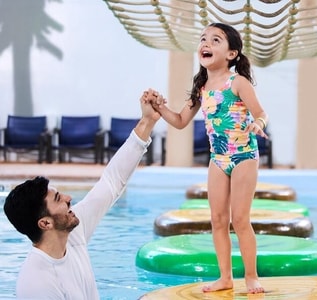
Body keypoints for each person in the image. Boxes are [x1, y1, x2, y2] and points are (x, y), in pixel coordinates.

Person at [3, 89, 162, 299]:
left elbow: (112, 181)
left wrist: (147, 121)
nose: (69, 198)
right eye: (58, 199)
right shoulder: (37, 284)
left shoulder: (72, 233)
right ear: (45, 223)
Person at [151, 22, 268, 294]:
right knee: (217, 220)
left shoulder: (237, 82)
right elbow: (180, 121)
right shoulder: (201, 86)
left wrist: (258, 123)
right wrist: (158, 106)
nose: (206, 44)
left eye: (216, 40)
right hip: (218, 159)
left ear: (231, 54)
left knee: (240, 219)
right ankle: (225, 277)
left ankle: (251, 276)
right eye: (204, 39)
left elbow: (261, 113)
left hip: (243, 156)